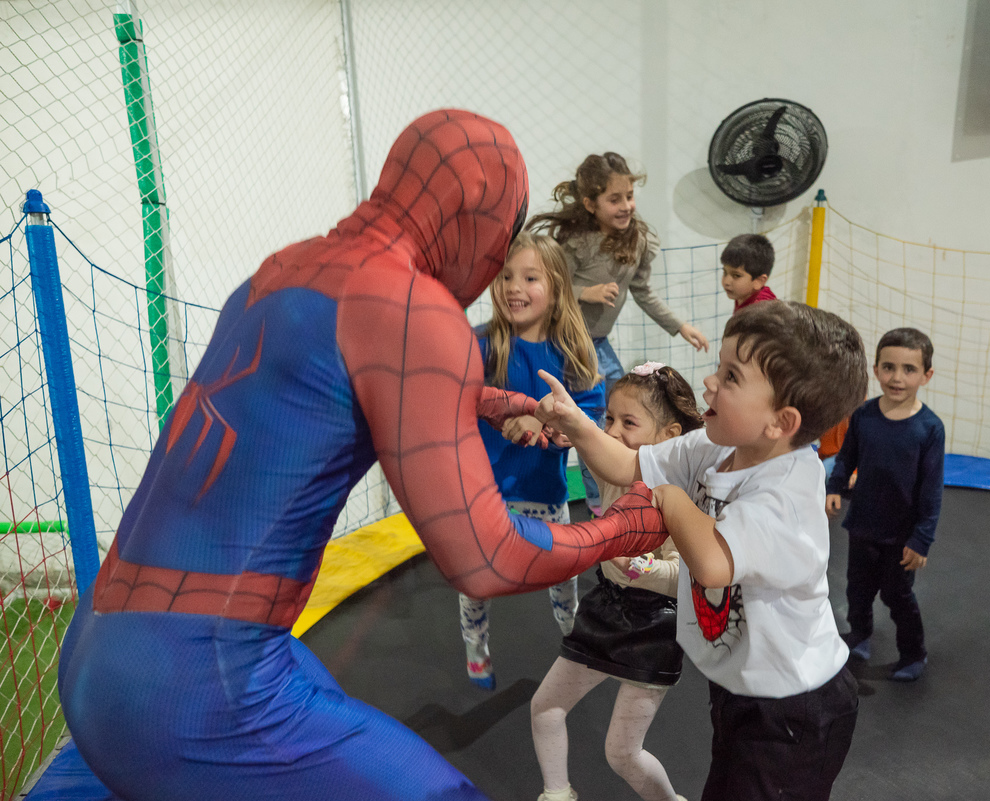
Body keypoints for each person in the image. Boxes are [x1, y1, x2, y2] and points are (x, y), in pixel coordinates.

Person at [50, 110, 668, 801]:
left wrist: (494, 402)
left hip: (95, 647)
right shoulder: (413, 309)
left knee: (321, 700)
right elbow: (485, 557)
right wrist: (622, 526)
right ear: (477, 222)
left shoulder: (280, 272)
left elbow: (322, 389)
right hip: (196, 685)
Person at [535, 300, 868, 801]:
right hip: (739, 688)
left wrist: (668, 501)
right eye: (720, 367)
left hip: (794, 708)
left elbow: (712, 565)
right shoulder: (717, 448)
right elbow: (630, 465)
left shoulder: (787, 491)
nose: (709, 383)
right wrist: (577, 425)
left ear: (780, 422)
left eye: (731, 377)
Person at [530, 361, 704, 801]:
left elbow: (693, 573)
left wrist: (645, 570)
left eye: (628, 422)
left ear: (668, 436)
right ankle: (557, 794)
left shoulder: (679, 495)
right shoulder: (615, 467)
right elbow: (592, 446)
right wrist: (565, 423)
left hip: (655, 625)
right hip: (606, 606)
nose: (611, 430)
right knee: (545, 707)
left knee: (622, 753)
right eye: (609, 418)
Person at [458, 233, 605, 690]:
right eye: (504, 277)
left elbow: (588, 420)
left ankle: (574, 635)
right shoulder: (480, 346)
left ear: (557, 287)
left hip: (545, 491)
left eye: (529, 277)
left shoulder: (574, 354)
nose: (513, 287)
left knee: (563, 574)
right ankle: (476, 649)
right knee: (475, 581)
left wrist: (545, 429)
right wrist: (499, 408)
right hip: (487, 493)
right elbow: (451, 399)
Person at [528, 152, 709, 515]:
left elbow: (642, 292)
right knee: (560, 422)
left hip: (594, 344)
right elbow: (547, 288)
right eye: (615, 199)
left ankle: (604, 500)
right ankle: (555, 497)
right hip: (559, 343)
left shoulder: (636, 242)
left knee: (605, 417)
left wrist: (679, 325)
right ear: (589, 204)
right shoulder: (577, 244)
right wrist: (585, 293)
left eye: (629, 196)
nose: (626, 206)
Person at [825, 328, 944, 682]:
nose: (897, 377)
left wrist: (921, 539)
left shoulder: (929, 428)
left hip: (901, 534)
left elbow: (931, 490)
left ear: (926, 375)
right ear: (875, 370)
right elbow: (846, 458)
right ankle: (859, 635)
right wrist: (834, 486)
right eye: (889, 367)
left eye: (909, 369)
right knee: (857, 589)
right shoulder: (863, 415)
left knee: (898, 595)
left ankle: (913, 652)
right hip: (863, 524)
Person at [720, 233, 777, 313]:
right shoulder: (743, 296)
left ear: (759, 281)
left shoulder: (760, 312)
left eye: (736, 275)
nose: (726, 282)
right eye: (725, 273)